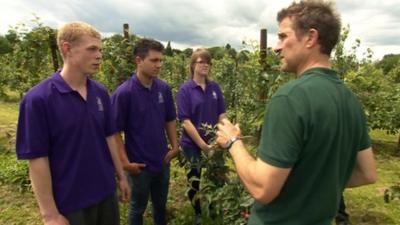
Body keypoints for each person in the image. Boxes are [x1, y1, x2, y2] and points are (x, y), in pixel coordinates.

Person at [216, 1, 377, 225]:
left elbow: (262, 188)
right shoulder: (350, 100)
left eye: (283, 36)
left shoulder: (290, 98)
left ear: (310, 38)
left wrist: (233, 142)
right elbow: (367, 173)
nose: (276, 47)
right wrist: (310, 187)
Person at [15, 21, 130, 225]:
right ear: (67, 48)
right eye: (92, 49)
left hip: (105, 194)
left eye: (100, 50)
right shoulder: (38, 99)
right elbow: (37, 159)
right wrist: (49, 214)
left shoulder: (100, 93)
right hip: (70, 203)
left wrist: (121, 176)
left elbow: (109, 136)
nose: (99, 56)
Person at [111, 38, 178, 225]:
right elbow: (114, 131)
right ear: (139, 61)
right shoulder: (124, 93)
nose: (159, 65)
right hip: (139, 165)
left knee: (160, 205)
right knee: (137, 208)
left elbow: (169, 119)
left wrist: (175, 147)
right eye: (154, 60)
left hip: (162, 160)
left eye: (161, 60)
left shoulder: (163, 89)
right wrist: (125, 163)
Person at [176, 48, 226, 224]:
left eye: (208, 62)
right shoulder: (185, 90)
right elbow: (186, 121)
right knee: (194, 180)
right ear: (193, 65)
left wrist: (221, 134)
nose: (205, 65)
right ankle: (197, 213)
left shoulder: (214, 88)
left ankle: (213, 208)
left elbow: (221, 113)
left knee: (216, 177)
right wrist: (203, 145)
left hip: (215, 143)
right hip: (192, 144)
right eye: (201, 62)